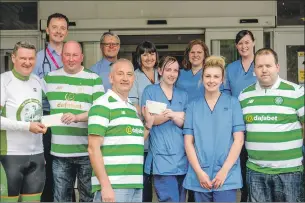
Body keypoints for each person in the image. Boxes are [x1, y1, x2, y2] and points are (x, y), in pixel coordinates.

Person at [41, 41, 104, 202]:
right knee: (61, 198)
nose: (71, 59)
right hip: (60, 152)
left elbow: (100, 111)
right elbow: (33, 102)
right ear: (61, 56)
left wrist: (77, 117)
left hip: (87, 151)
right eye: (67, 55)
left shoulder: (93, 79)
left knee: (88, 198)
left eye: (75, 55)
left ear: (82, 57)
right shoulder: (49, 79)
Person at [239, 48, 304, 202]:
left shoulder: (296, 92)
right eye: (260, 66)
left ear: (277, 67)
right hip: (256, 171)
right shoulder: (244, 96)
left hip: (289, 172)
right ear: (254, 69)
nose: (264, 70)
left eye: (268, 66)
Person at [88, 59, 154, 202]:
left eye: (129, 74)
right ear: (111, 78)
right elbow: (93, 149)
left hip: (135, 184)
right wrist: (105, 186)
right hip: (114, 185)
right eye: (120, 74)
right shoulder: (102, 105)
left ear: (133, 79)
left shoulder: (131, 108)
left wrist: (148, 126)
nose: (125, 78)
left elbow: (134, 141)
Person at [183, 56, 245, 202]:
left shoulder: (232, 103)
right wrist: (199, 172)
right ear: (202, 78)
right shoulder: (193, 106)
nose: (211, 80)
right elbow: (188, 142)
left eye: (216, 76)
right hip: (200, 174)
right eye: (208, 76)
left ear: (223, 79)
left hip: (226, 175)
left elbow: (239, 140)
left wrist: (224, 171)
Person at [0, 41, 47, 202]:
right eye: (23, 58)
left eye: (31, 58)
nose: (27, 62)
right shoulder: (3, 81)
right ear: (13, 58)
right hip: (10, 157)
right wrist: (27, 126)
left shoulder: (37, 81)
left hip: (37, 156)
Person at [33, 13, 69, 202]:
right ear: (47, 30)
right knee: (48, 164)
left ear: (67, 31)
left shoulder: (71, 56)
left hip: (68, 116)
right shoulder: (38, 59)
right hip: (47, 116)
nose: (58, 31)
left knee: (68, 164)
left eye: (62, 28)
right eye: (54, 27)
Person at [141, 56, 188, 202]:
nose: (172, 74)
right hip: (161, 157)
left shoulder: (183, 94)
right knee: (169, 199)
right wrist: (174, 115)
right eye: (168, 69)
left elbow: (187, 122)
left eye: (175, 70)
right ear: (160, 70)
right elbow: (150, 119)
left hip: (182, 157)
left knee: (180, 200)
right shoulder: (150, 91)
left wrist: (169, 115)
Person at [223, 30, 257, 202]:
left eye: (247, 42)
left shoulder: (260, 65)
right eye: (240, 43)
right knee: (242, 163)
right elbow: (226, 96)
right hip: (237, 125)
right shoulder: (231, 68)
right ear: (236, 46)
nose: (244, 46)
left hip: (258, 123)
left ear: (253, 42)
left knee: (256, 163)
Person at [129, 40, 159, 202]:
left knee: (162, 182)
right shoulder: (135, 77)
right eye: (144, 53)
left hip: (163, 134)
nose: (149, 57)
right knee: (144, 182)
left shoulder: (162, 73)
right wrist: (150, 116)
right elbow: (134, 105)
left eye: (152, 53)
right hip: (144, 135)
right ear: (139, 58)